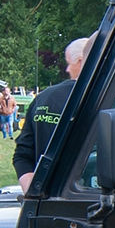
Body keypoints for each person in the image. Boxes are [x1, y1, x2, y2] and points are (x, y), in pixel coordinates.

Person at [13, 34, 94, 191]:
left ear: (80, 61)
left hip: (50, 203)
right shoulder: (106, 99)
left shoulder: (43, 98)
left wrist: (33, 193)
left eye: (69, 63)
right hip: (90, 197)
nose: (67, 69)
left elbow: (22, 155)